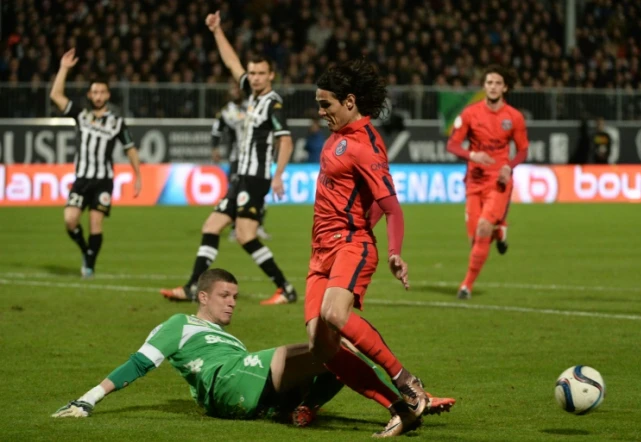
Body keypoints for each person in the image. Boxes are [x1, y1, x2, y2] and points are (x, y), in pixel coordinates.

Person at [53, 268, 453, 435]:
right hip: (226, 382)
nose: (231, 303)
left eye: (236, 296)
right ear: (203, 295)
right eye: (224, 296)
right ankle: (406, 402)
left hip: (247, 387)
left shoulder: (228, 339)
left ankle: (303, 408)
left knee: (335, 353)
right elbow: (138, 364)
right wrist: (88, 400)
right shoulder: (178, 326)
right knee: (326, 345)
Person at [304, 59, 452, 437]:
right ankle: (400, 407)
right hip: (320, 251)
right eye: (319, 105)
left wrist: (392, 252)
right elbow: (365, 197)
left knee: (335, 313)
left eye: (327, 105)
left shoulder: (367, 145)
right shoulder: (338, 137)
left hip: (350, 245)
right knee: (320, 348)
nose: (321, 113)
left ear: (350, 101)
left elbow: (391, 206)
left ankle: (407, 380)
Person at [161, 12, 296, 304]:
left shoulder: (273, 105)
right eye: (253, 73)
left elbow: (286, 140)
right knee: (211, 227)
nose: (255, 77)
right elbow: (231, 63)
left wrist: (277, 175)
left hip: (256, 179)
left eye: (261, 73)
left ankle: (284, 287)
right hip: (240, 178)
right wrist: (217, 31)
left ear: (271, 75)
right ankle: (192, 288)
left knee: (246, 235)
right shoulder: (253, 96)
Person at [49, 48, 142, 279]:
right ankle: (86, 252)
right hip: (81, 179)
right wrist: (64, 68)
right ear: (90, 96)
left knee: (95, 224)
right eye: (94, 92)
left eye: (102, 92)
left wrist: (138, 176)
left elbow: (130, 149)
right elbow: (56, 96)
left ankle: (89, 265)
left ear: (108, 95)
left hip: (103, 181)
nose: (98, 95)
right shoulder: (81, 115)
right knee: (70, 220)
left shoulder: (117, 123)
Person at [446, 65, 529, 299]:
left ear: (505, 87)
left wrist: (508, 167)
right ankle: (499, 232)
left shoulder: (514, 117)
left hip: (498, 181)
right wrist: (472, 155)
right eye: (489, 82)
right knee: (476, 238)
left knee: (483, 227)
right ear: (484, 86)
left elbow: (523, 151)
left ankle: (466, 286)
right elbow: (452, 145)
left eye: (497, 83)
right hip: (474, 181)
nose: (493, 87)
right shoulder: (470, 114)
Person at [211, 81, 271, 242]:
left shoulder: (252, 106)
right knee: (236, 193)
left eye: (237, 88)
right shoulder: (226, 112)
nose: (235, 91)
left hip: (256, 157)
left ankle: (257, 226)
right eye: (233, 88)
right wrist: (215, 148)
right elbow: (216, 131)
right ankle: (234, 228)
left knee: (258, 193)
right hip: (237, 158)